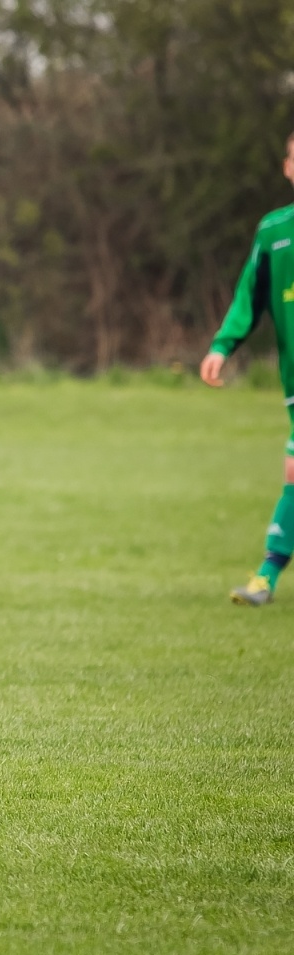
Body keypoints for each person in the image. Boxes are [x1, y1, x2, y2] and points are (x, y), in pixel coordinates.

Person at [201, 130, 294, 606]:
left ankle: (266, 576)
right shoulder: (274, 232)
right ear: (287, 167)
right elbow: (248, 296)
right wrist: (222, 345)